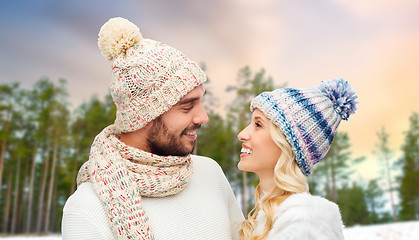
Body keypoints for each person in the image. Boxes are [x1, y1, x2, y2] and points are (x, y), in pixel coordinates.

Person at [62, 17, 244, 240]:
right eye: (187, 106)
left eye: (200, 102)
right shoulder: (87, 209)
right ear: (143, 116)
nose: (203, 117)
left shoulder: (210, 174)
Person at [237, 79, 359, 239]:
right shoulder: (269, 217)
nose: (242, 134)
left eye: (258, 124)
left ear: (287, 144)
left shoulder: (303, 223)